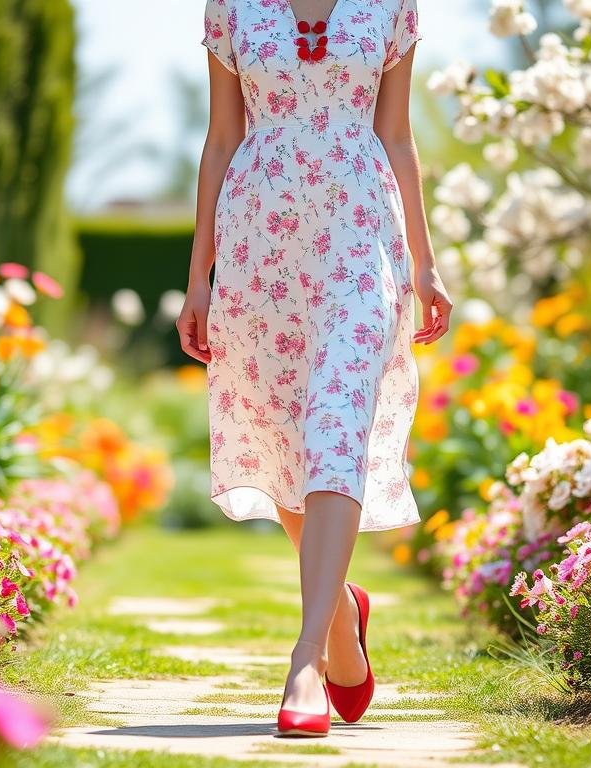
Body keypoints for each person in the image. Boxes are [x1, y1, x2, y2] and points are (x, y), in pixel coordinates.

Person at [177, 0, 452, 737]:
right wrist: (199, 274)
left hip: (362, 239)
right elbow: (223, 136)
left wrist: (425, 265)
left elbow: (396, 133)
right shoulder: (231, 5)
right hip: (260, 246)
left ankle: (304, 659)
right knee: (289, 442)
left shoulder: (392, 4)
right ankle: (339, 621)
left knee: (335, 422)